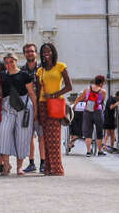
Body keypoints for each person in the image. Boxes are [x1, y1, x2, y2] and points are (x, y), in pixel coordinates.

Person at [0, 52, 37, 175]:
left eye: (11, 61)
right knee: (3, 132)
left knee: (22, 136)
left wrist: (36, 112)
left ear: (16, 61)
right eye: (7, 62)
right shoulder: (2, 76)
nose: (9, 64)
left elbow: (31, 94)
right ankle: (7, 164)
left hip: (23, 107)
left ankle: (19, 167)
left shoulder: (24, 75)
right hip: (7, 107)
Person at [36, 42, 72, 176]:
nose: (46, 53)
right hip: (42, 105)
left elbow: (69, 87)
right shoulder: (40, 70)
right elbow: (39, 90)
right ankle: (48, 168)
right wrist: (38, 112)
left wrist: (54, 95)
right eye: (44, 51)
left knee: (55, 137)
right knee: (46, 137)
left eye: (48, 51)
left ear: (53, 52)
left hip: (55, 103)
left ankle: (57, 168)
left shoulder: (61, 66)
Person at [21, 43, 45, 173]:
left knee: (41, 135)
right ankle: (31, 163)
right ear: (24, 54)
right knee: (29, 135)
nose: (29, 53)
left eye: (31, 51)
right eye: (27, 51)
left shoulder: (43, 68)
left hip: (41, 104)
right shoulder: (22, 70)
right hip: (27, 106)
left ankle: (43, 162)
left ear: (35, 53)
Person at [83, 75, 107, 156]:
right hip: (98, 111)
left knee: (88, 132)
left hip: (88, 110)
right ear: (101, 83)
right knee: (99, 132)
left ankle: (88, 151)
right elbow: (101, 101)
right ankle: (100, 151)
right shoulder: (102, 91)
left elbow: (82, 98)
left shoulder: (88, 89)